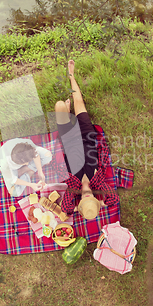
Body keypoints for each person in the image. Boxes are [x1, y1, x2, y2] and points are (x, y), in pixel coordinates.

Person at [55, 60, 119, 219]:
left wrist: (77, 209)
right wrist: (102, 205)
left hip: (69, 139)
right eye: (92, 199)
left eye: (85, 200)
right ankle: (71, 76)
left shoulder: (73, 187)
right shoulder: (98, 181)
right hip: (87, 135)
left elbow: (66, 208)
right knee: (79, 102)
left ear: (81, 201)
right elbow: (113, 199)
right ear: (96, 199)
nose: (88, 196)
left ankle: (68, 113)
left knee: (59, 106)